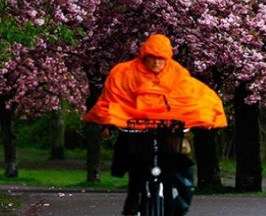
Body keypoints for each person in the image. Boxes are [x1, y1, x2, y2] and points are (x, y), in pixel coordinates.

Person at [83, 33, 227, 215]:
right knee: (136, 173)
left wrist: (203, 118)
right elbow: (115, 99)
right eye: (152, 58)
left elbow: (191, 96)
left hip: (168, 135)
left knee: (171, 173)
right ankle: (133, 203)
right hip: (137, 133)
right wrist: (108, 123)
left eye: (161, 59)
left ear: (167, 58)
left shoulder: (177, 73)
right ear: (144, 56)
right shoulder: (125, 72)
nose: (156, 63)